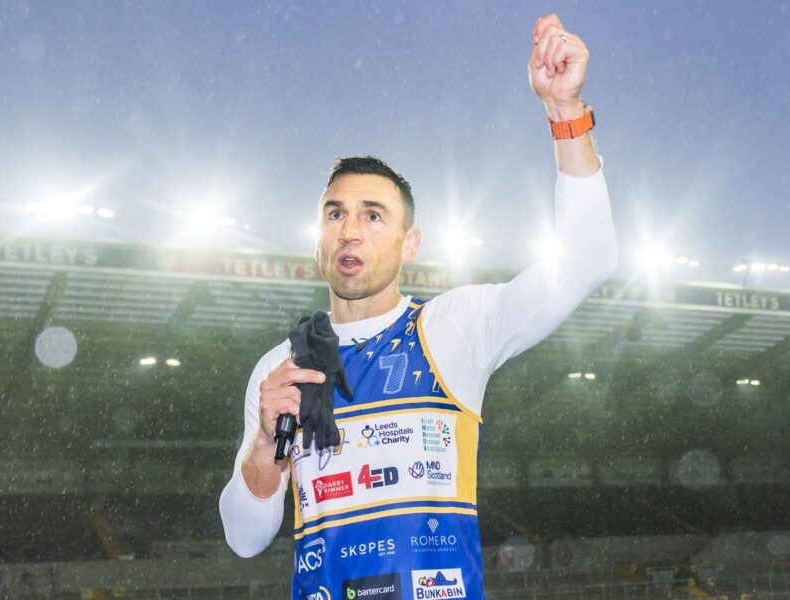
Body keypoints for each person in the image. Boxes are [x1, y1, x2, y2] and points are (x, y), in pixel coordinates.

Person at [219, 13, 618, 600]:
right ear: (318, 240)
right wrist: (264, 447)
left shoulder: (453, 329)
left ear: (411, 243)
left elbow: (588, 258)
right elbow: (245, 539)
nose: (350, 231)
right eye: (336, 214)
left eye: (372, 215)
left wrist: (565, 112)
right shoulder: (283, 367)